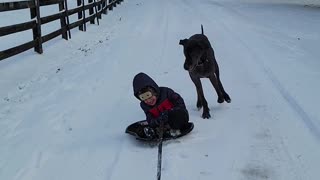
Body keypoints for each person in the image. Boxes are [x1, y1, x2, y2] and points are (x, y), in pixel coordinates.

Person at [133, 72, 189, 139]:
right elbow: (150, 119)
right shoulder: (144, 105)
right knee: (153, 124)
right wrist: (159, 120)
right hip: (161, 123)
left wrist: (169, 113)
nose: (148, 101)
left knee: (177, 116)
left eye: (150, 97)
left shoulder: (166, 92)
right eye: (144, 99)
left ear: (154, 92)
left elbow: (180, 105)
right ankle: (156, 131)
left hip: (177, 117)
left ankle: (173, 129)